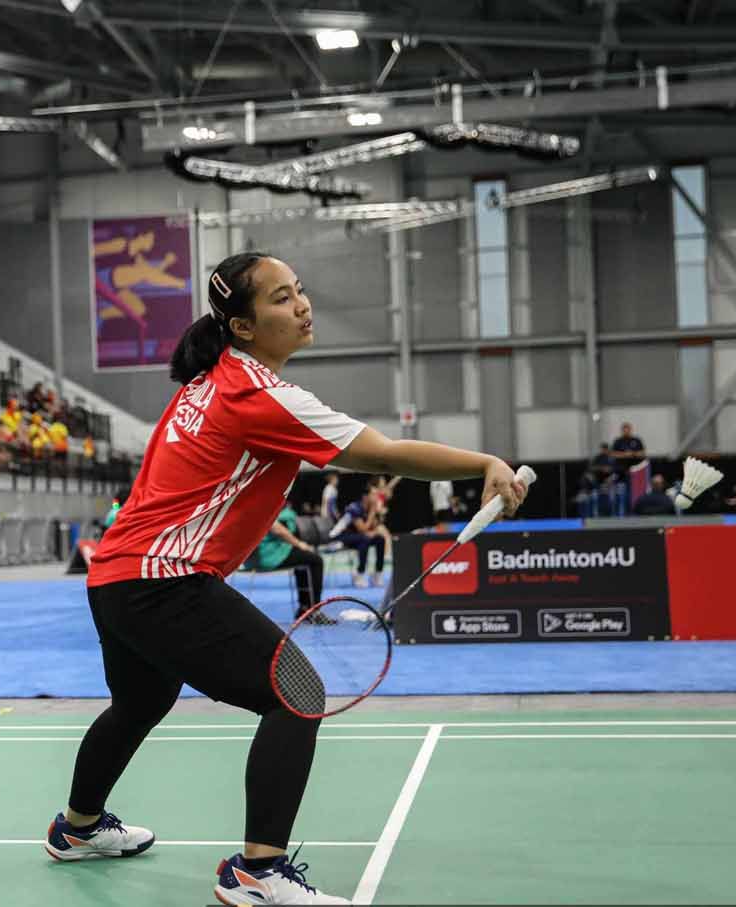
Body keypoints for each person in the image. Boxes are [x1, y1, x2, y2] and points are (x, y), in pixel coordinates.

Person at [51, 252, 526, 905]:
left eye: (299, 290)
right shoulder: (258, 396)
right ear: (243, 325)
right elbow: (382, 454)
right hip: (163, 579)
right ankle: (258, 870)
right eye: (281, 298)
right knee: (298, 692)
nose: (301, 304)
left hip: (116, 576)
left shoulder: (209, 380)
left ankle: (76, 828)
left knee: (140, 702)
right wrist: (484, 463)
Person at [253, 498, 328, 623]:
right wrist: (299, 544)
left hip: (254, 557)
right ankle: (315, 611)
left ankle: (305, 609)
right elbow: (277, 530)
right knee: (316, 560)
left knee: (303, 560)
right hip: (268, 557)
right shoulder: (263, 503)